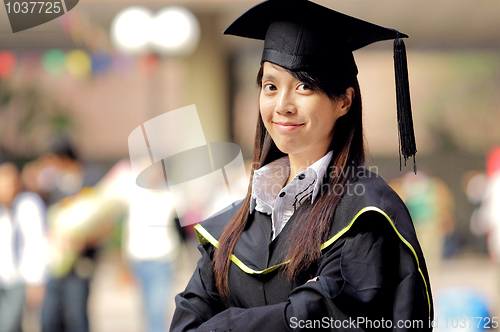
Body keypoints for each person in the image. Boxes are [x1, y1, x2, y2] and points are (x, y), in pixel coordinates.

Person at [170, 1, 433, 331]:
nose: (283, 105)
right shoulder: (230, 230)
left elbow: (323, 317)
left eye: (304, 86)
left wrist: (227, 323)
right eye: (270, 86)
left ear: (344, 101)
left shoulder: (366, 215)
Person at [0, 162, 47, 332]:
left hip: (18, 279)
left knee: (6, 325)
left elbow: (36, 245)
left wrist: (36, 281)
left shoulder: (27, 204)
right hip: (2, 277)